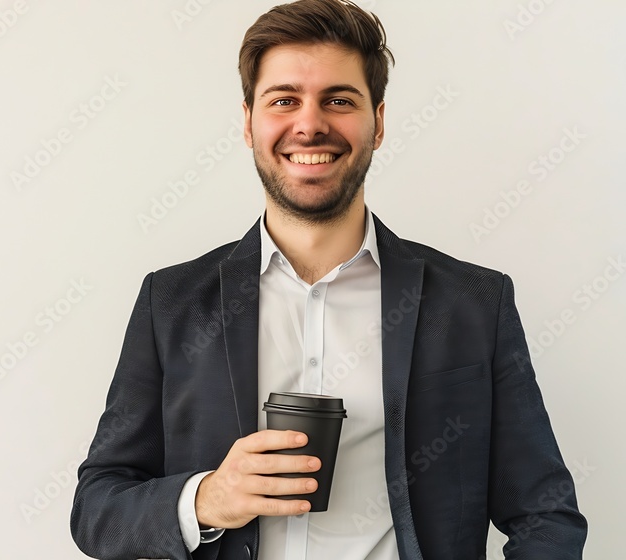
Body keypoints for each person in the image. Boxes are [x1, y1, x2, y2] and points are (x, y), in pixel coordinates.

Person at [69, 0, 587, 558]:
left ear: (379, 123)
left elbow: (545, 515)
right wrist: (206, 500)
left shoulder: (475, 304)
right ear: (248, 122)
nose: (310, 124)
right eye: (283, 100)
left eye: (338, 100)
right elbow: (97, 509)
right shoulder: (170, 304)